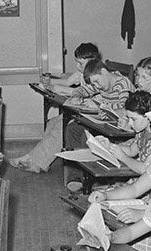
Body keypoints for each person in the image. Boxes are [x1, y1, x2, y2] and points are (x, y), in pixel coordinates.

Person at [9, 43, 101, 172]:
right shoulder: (81, 72)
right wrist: (48, 82)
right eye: (76, 63)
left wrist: (55, 88)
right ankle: (33, 157)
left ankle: (37, 163)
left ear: (93, 62)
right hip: (81, 111)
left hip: (92, 115)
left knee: (60, 126)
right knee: (53, 122)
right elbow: (67, 82)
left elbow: (77, 91)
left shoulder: (96, 75)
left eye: (81, 63)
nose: (77, 66)